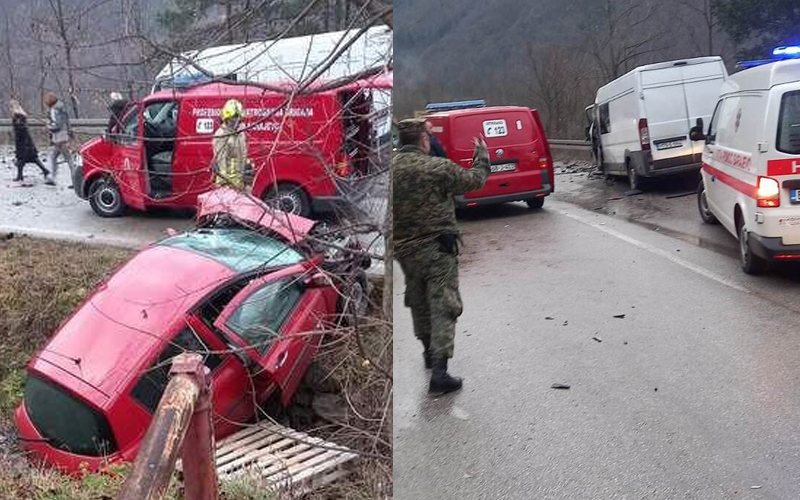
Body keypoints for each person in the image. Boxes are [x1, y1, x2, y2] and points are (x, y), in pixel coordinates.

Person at [393, 118, 490, 394]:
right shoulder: (437, 169)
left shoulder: (391, 170)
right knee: (443, 305)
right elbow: (474, 181)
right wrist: (481, 155)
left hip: (404, 251)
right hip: (437, 249)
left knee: (418, 300)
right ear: (424, 140)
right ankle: (440, 372)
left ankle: (427, 352)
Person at [212, 98, 251, 190]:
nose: (237, 121)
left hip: (241, 182)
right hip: (227, 185)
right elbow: (221, 163)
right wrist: (224, 186)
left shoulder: (240, 133)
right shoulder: (221, 135)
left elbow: (243, 155)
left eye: (239, 118)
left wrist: (247, 169)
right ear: (227, 119)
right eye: (234, 118)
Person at [9, 99, 50, 182]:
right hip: (26, 140)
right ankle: (44, 170)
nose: (10, 109)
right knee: (32, 158)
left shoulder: (17, 116)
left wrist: (18, 137)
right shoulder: (21, 114)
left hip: (23, 141)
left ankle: (20, 176)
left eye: (10, 107)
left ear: (13, 107)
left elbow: (21, 128)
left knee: (22, 158)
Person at [43, 92, 75, 187]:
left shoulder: (55, 110)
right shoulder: (61, 108)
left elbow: (57, 125)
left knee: (68, 159)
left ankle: (75, 180)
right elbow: (66, 122)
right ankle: (53, 177)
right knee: (55, 157)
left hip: (59, 137)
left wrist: (48, 127)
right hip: (63, 136)